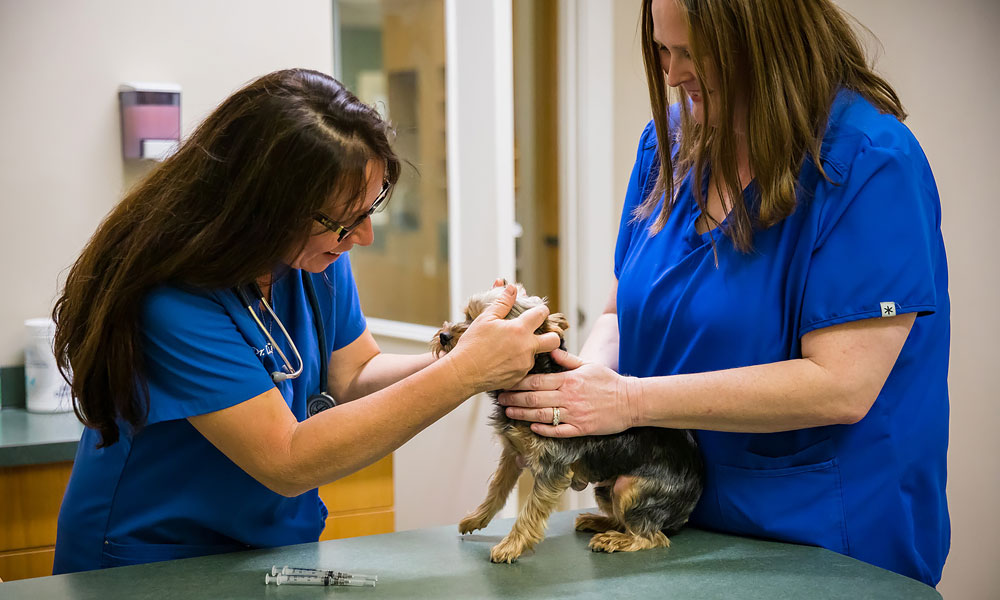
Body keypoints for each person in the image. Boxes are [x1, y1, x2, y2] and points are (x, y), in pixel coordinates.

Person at [498, 0, 949, 587]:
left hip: (820, 540)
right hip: (670, 526)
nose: (672, 73)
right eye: (662, 49)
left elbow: (841, 385)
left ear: (768, 41)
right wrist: (579, 386)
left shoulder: (867, 163)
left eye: (693, 54)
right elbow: (620, 309)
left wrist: (628, 403)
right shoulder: (670, 144)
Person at [51, 68, 560, 573]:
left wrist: (471, 350)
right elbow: (287, 458)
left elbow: (355, 375)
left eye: (371, 209)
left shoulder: (313, 258)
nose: (363, 238)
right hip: (152, 557)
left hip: (272, 547)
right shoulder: (172, 299)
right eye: (344, 221)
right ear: (265, 208)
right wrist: (466, 371)